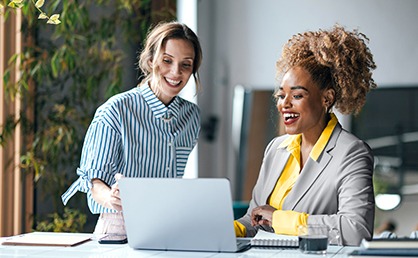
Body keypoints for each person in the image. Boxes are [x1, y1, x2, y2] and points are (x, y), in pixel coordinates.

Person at [234, 25, 377, 246]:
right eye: (281, 95)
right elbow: (255, 218)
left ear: (326, 98)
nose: (284, 104)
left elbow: (355, 230)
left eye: (297, 95)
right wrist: (227, 229)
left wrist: (280, 219)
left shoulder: (351, 152)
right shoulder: (276, 148)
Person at [61, 21, 203, 235]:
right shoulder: (115, 110)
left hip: (168, 225)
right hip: (119, 226)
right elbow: (93, 182)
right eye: (167, 61)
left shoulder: (191, 116)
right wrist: (111, 197)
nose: (176, 72)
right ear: (150, 60)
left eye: (186, 64)